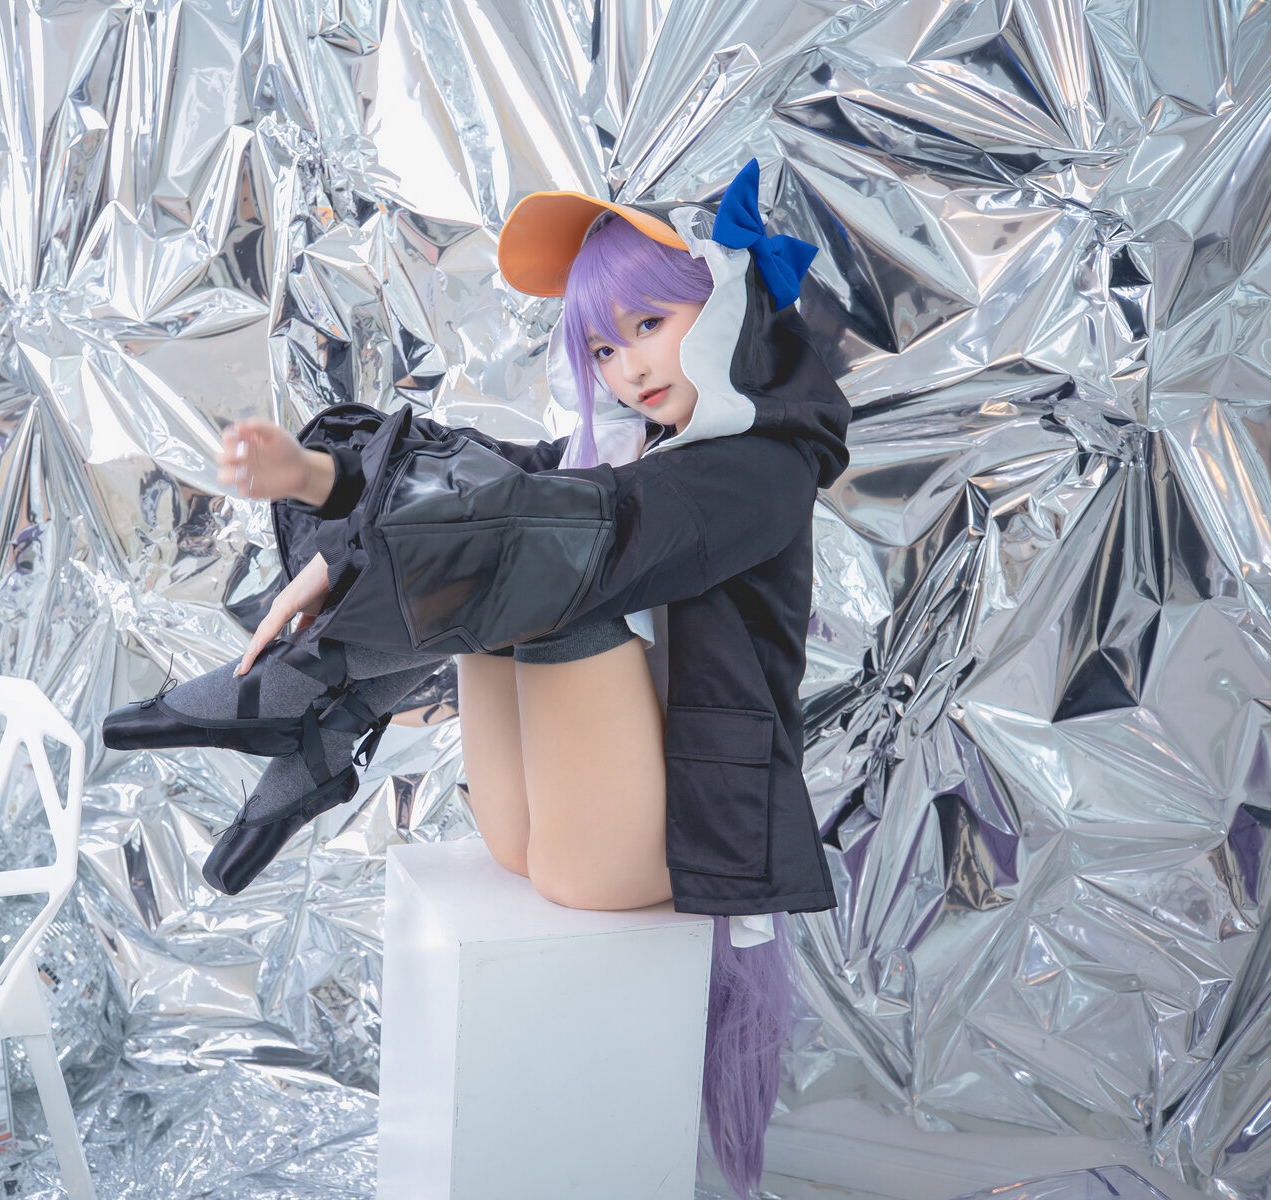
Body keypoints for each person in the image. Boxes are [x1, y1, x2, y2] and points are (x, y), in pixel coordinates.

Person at [101, 158, 850, 1197]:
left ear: (727, 308)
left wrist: (346, 572)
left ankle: (324, 699)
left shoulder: (761, 470)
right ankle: (323, 704)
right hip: (544, 833)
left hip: (671, 835)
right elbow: (505, 476)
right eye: (602, 345)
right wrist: (318, 479)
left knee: (553, 559)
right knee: (520, 531)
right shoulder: (632, 447)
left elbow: (582, 524)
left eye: (650, 324)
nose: (627, 367)